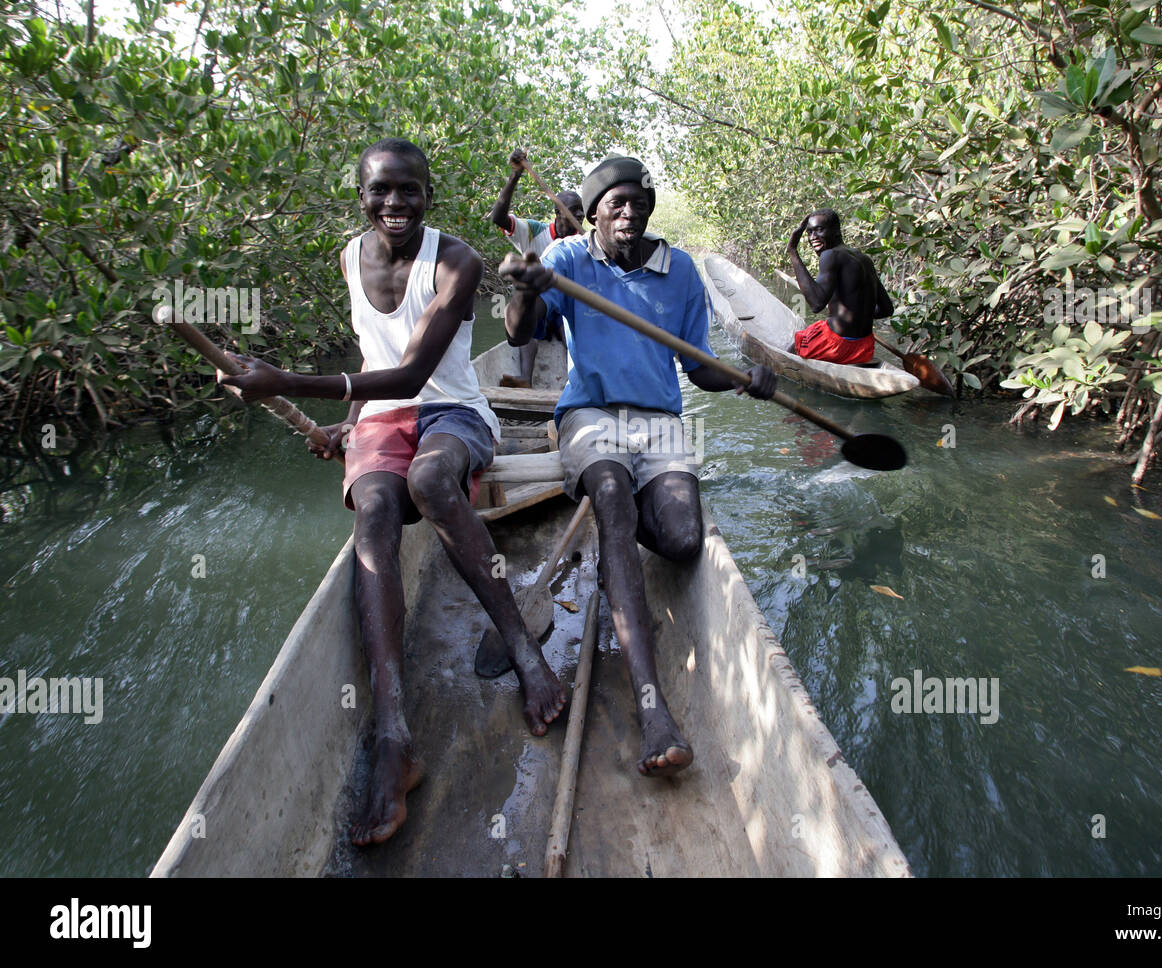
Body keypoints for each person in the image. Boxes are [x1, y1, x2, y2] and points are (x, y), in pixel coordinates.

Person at [218, 138, 567, 846]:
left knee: (433, 478)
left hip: (454, 414)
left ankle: (524, 650)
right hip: (379, 415)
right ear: (362, 198)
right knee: (374, 510)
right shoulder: (351, 257)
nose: (395, 204)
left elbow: (412, 377)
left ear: (429, 196)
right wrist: (344, 426)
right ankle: (393, 733)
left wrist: (282, 380)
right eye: (381, 191)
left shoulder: (457, 261)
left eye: (409, 190)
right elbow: (372, 361)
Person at [503, 156, 776, 777]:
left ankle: (616, 551)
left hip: (659, 422)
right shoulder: (569, 258)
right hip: (592, 413)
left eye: (638, 202)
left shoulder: (679, 270)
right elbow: (520, 336)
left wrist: (745, 381)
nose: (629, 214)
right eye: (615, 204)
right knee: (610, 490)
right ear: (594, 212)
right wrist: (524, 286)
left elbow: (700, 365)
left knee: (682, 540)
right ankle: (653, 708)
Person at [489, 148, 584, 388]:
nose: (579, 218)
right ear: (557, 213)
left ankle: (579, 378)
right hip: (538, 306)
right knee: (525, 315)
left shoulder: (582, 242)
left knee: (570, 319)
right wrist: (515, 176)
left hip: (563, 308)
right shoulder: (534, 231)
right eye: (573, 212)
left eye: (581, 214)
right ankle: (525, 380)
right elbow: (498, 218)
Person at [785, 208, 894, 366]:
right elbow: (886, 309)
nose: (813, 237)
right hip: (865, 347)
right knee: (816, 329)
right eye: (809, 232)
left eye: (819, 230)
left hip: (837, 347)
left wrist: (792, 251)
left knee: (795, 345)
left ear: (836, 231)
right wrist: (858, 317)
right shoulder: (864, 259)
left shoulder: (830, 255)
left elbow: (816, 304)